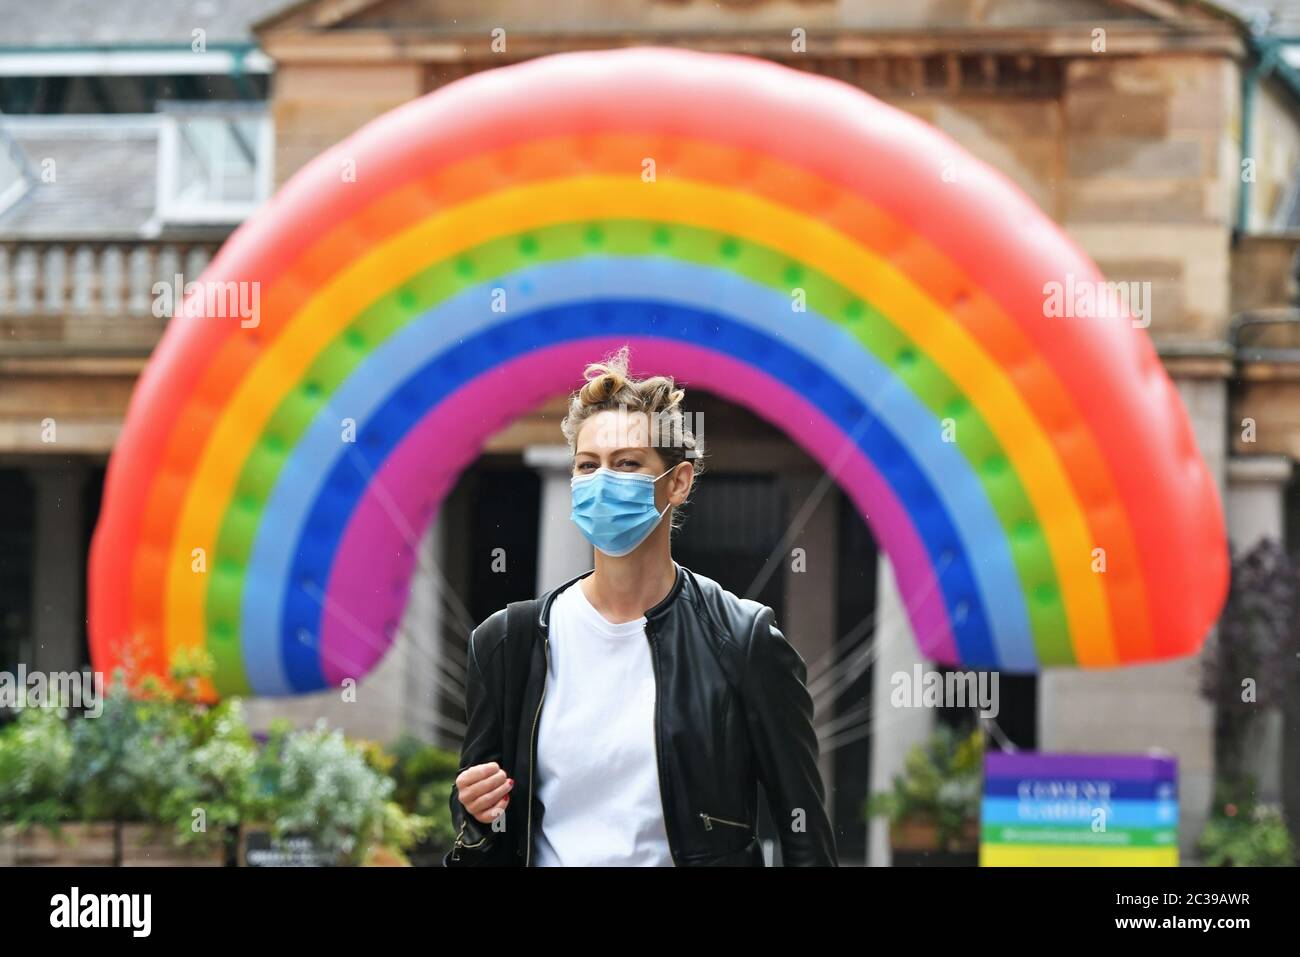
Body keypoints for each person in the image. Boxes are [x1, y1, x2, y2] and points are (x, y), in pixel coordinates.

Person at [443, 344, 837, 866]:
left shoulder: (742, 640)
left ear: (677, 481)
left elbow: (804, 832)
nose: (602, 481)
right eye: (588, 465)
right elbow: (485, 818)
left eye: (627, 464)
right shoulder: (507, 642)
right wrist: (473, 808)